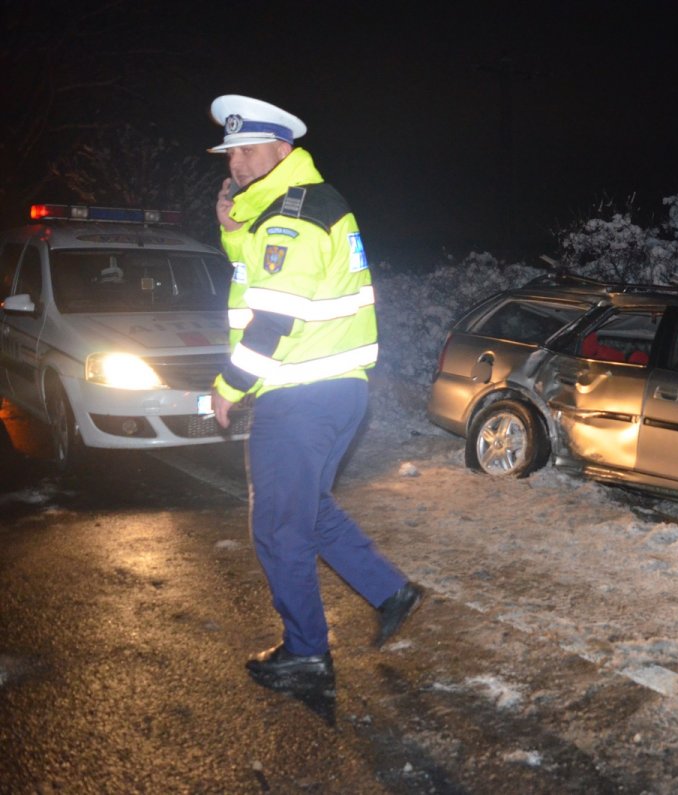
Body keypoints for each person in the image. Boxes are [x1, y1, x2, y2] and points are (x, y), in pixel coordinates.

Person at [206, 94, 422, 689]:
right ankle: (390, 591)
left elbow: (273, 319)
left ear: (285, 149)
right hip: (334, 391)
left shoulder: (289, 216)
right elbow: (258, 272)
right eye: (231, 153)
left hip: (299, 393)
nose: (237, 164)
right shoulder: (298, 206)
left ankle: (306, 653)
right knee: (309, 509)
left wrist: (229, 387)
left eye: (248, 150)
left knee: (279, 525)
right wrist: (231, 233)